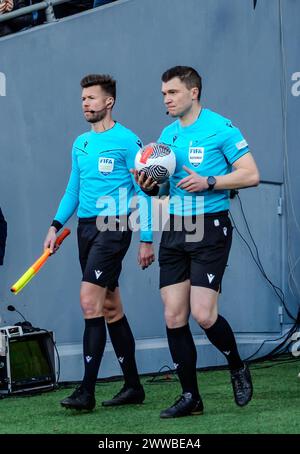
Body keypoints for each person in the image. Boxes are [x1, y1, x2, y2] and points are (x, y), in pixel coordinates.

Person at [132, 65, 260, 418]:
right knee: (174, 315)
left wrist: (210, 181)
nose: (166, 100)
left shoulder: (220, 128)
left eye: (172, 93)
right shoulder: (166, 135)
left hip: (210, 227)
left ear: (193, 92)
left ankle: (236, 365)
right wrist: (149, 186)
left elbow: (252, 174)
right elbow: (164, 188)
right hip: (175, 227)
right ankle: (191, 397)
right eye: (163, 94)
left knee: (203, 314)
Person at [44, 73, 155, 411]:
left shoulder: (128, 142)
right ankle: (134, 386)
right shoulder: (81, 143)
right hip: (85, 229)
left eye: (91, 98)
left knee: (89, 302)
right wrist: (55, 225)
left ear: (109, 101)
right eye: (82, 99)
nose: (85, 104)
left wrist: (146, 240)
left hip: (115, 224)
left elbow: (144, 194)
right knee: (109, 307)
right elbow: (73, 190)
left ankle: (86, 392)